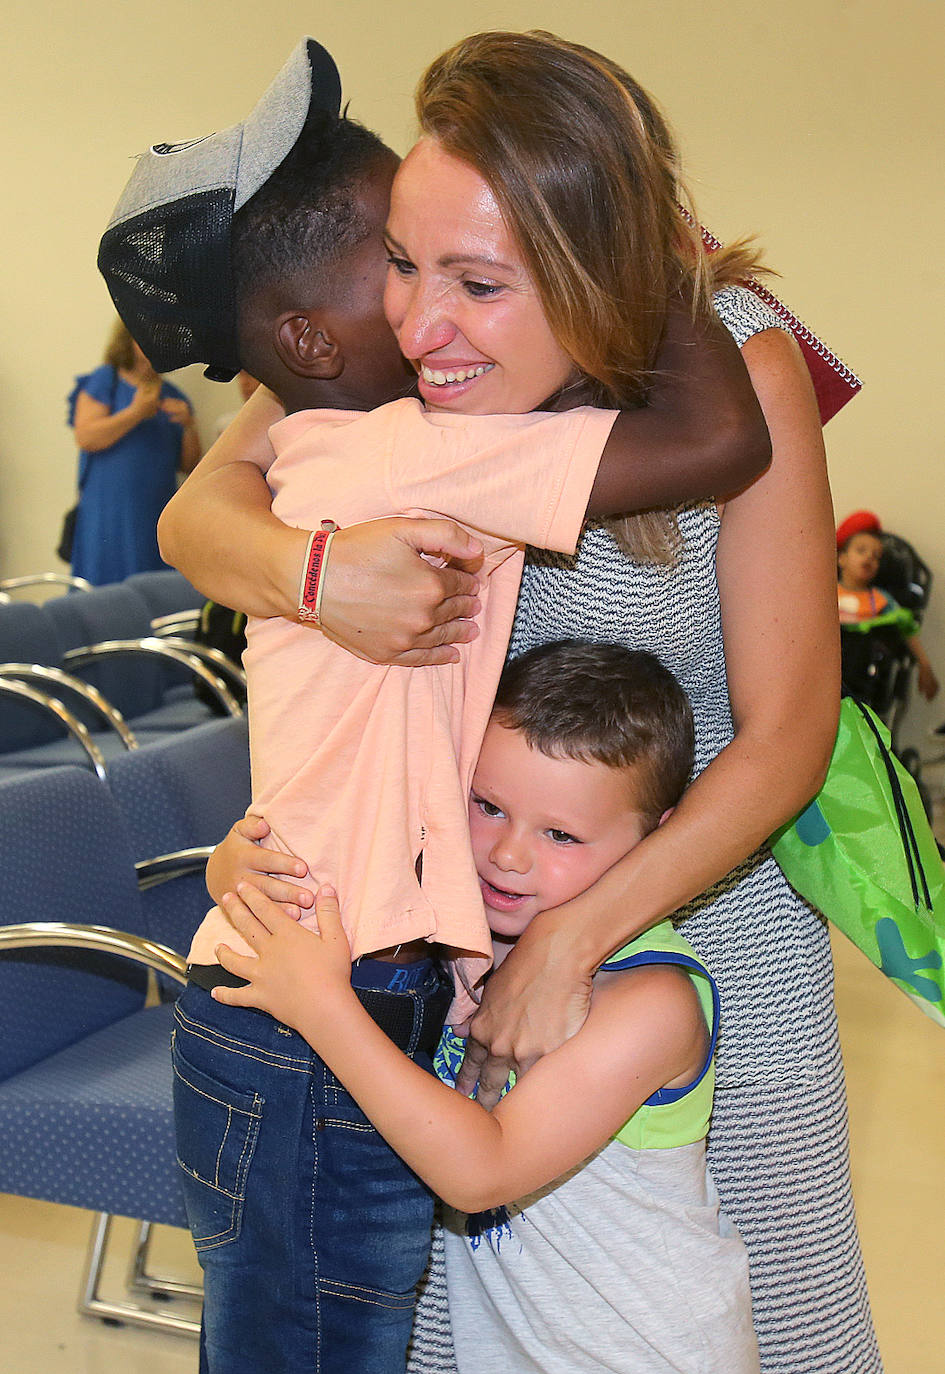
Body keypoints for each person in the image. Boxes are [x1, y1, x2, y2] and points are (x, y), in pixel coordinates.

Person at [166, 31, 881, 1373]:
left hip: (696, 941)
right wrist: (317, 576)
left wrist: (582, 937)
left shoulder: (739, 361)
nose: (420, 317)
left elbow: (787, 732)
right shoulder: (397, 350)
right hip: (464, 949)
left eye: (479, 280)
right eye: (401, 260)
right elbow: (198, 515)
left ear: (589, 260)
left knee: (738, 1317)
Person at [210, 640, 760, 1373]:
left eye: (560, 834)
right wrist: (236, 870)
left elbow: (480, 1171)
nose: (507, 855)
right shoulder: (466, 918)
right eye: (487, 806)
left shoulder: (647, 1003)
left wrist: (324, 1010)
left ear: (656, 842)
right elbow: (315, 894)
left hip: (646, 1352)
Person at [68, 318, 200, 584]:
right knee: (104, 591)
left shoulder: (175, 396)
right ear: (128, 339)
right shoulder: (105, 381)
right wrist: (136, 413)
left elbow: (190, 466)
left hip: (155, 511)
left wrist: (188, 427)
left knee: (153, 591)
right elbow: (87, 436)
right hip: (108, 512)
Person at [837, 508, 938, 701]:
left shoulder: (881, 600)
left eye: (876, 557)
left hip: (861, 676)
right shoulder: (826, 594)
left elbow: (907, 628)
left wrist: (924, 665)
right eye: (861, 551)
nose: (869, 558)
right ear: (841, 558)